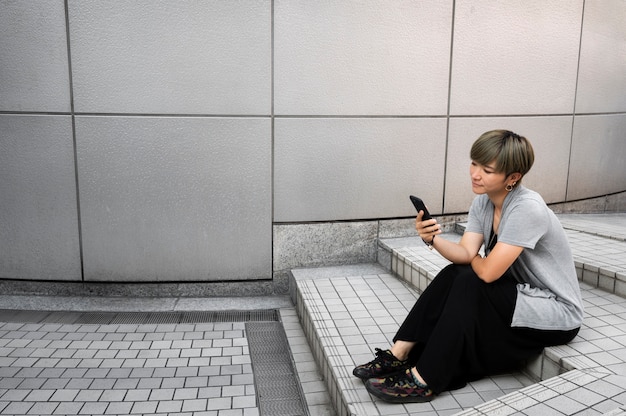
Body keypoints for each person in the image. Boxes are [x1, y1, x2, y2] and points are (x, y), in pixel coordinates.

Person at [353, 129, 584, 403]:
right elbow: (465, 254)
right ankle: (399, 353)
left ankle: (425, 379)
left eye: (487, 169)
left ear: (513, 177)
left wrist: (474, 258)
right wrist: (433, 239)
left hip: (555, 312)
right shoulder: (483, 203)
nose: (475, 174)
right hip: (516, 295)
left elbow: (487, 272)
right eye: (474, 163)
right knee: (457, 273)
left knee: (470, 279)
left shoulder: (527, 208)